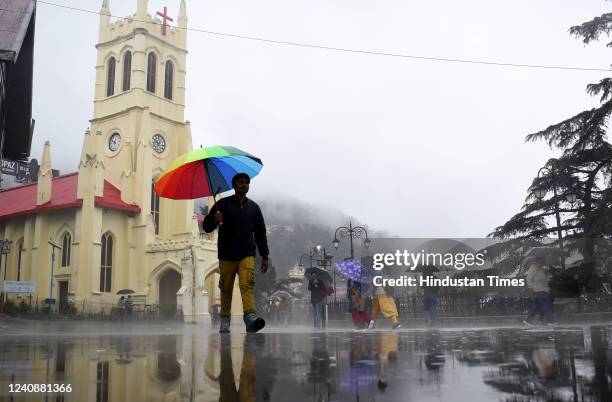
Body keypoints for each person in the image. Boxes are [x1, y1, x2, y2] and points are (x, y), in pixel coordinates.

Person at [203, 173, 270, 333]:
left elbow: (260, 233)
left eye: (246, 182)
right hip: (226, 253)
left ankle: (249, 317)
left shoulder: (254, 208)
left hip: (246, 253)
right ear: (234, 185)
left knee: (247, 284)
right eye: (240, 182)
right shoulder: (223, 204)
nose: (244, 184)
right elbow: (206, 226)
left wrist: (265, 256)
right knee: (225, 288)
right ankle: (225, 319)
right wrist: (215, 220)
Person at [523, 256, 555, 325]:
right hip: (538, 290)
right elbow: (528, 278)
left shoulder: (541, 268)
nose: (544, 261)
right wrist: (530, 287)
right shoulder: (534, 267)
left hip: (542, 290)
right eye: (543, 260)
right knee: (546, 305)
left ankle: (528, 320)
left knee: (536, 307)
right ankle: (551, 321)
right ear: (540, 260)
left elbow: (543, 280)